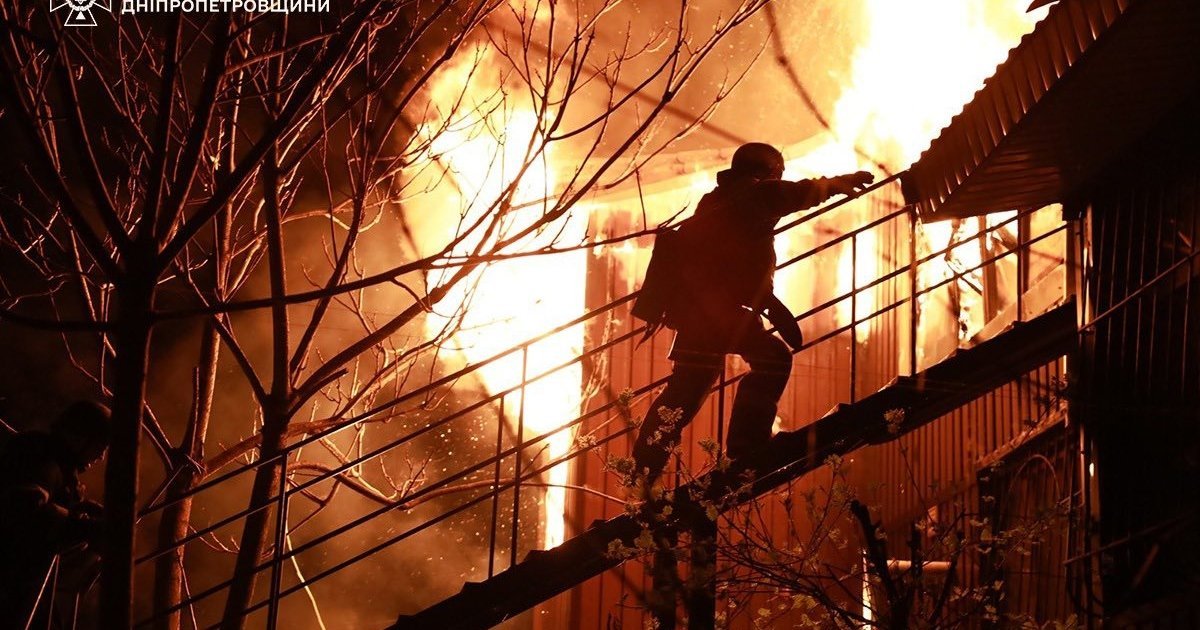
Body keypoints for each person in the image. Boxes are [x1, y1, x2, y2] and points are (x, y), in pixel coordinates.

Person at [631, 143, 873, 488]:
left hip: (704, 312)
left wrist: (767, 301)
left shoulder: (723, 201)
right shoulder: (750, 194)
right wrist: (837, 184)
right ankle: (745, 447)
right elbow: (787, 195)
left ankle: (643, 473)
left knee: (686, 392)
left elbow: (733, 262)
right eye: (778, 174)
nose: (779, 180)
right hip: (714, 313)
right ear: (767, 171)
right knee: (771, 361)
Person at [0, 400, 110, 628]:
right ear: (80, 435)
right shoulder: (40, 457)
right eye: (101, 445)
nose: (101, 456)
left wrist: (79, 513)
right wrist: (84, 528)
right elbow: (25, 512)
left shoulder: (54, 463)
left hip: (25, 588)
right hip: (11, 588)